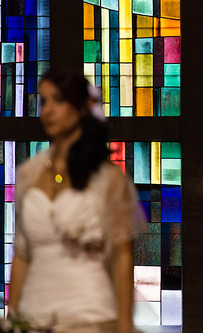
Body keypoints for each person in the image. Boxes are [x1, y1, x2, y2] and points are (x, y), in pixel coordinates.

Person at [8, 69, 143, 333]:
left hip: (90, 315)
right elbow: (22, 254)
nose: (47, 110)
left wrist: (125, 325)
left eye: (58, 100)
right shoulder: (28, 174)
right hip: (34, 316)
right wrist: (12, 318)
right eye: (43, 101)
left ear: (82, 107)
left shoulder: (107, 178)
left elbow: (121, 255)